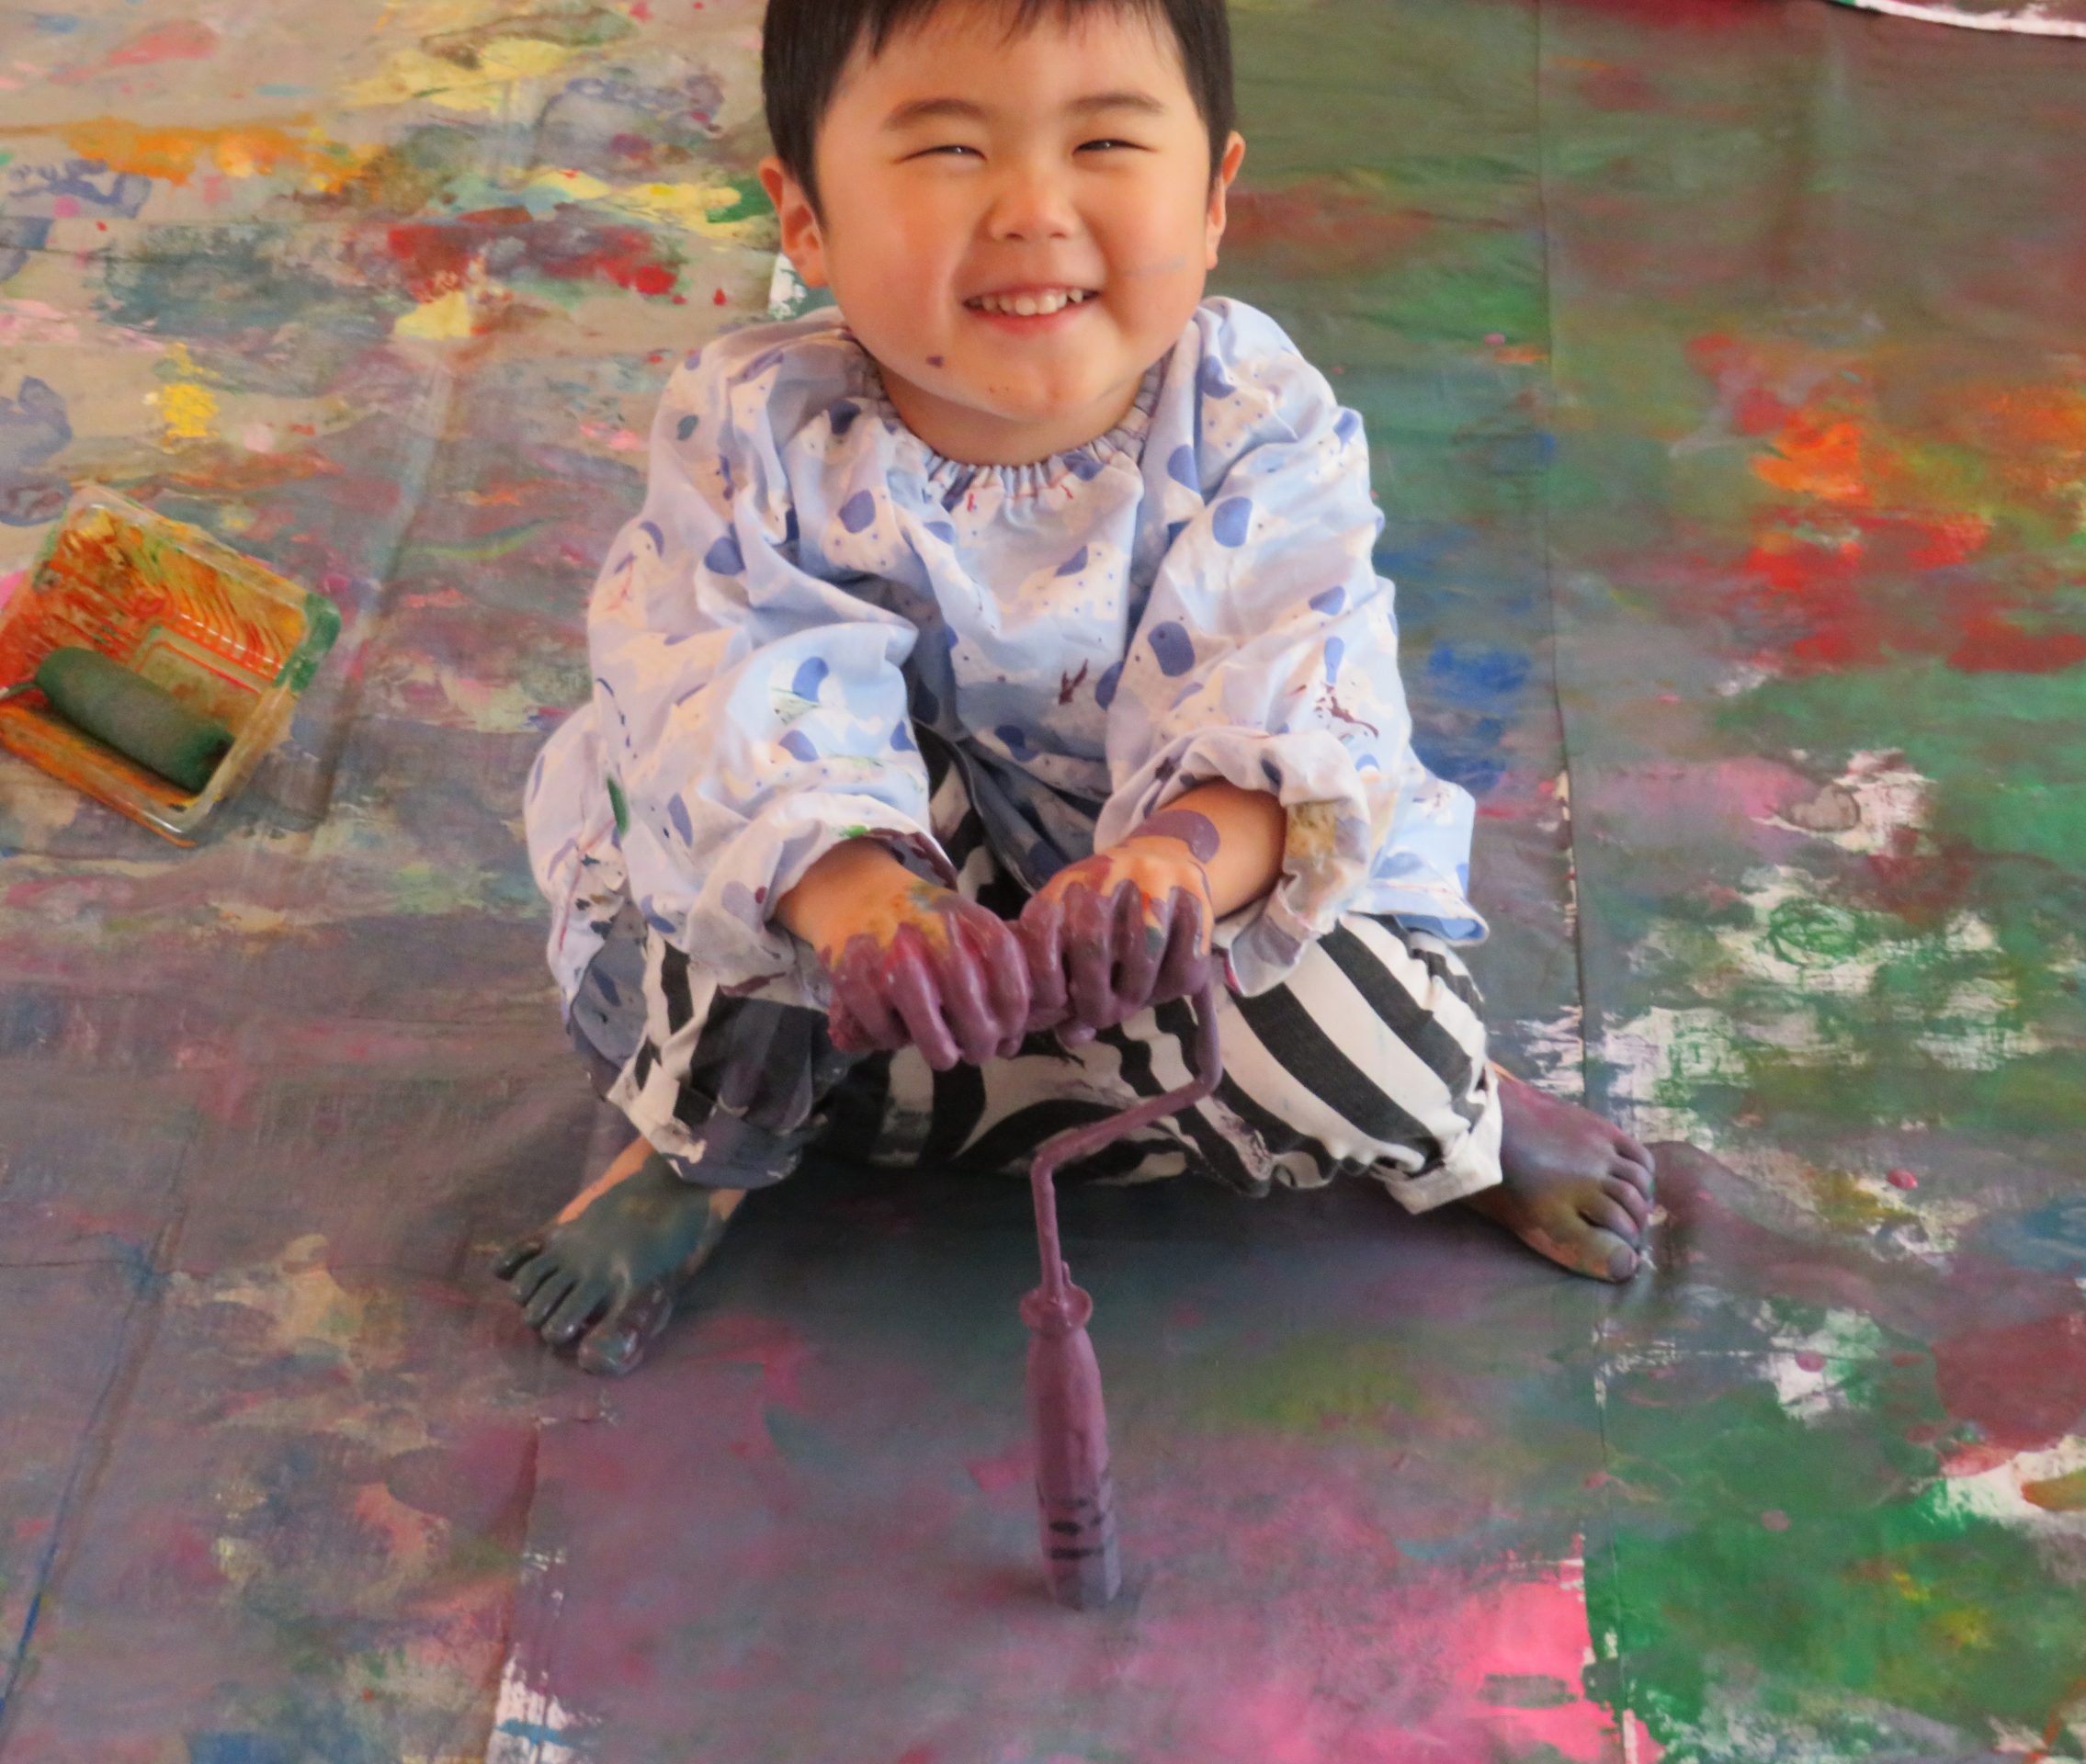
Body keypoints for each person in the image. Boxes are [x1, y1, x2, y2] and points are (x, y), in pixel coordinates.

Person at [500, 0, 1659, 1377]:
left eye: (1103, 142)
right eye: (948, 151)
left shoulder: (1251, 415)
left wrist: (1175, 872)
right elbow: (733, 687)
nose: (1033, 212)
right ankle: (705, 1154)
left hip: (1164, 923)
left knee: (1349, 1016)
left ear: (1214, 195)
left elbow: (1291, 682)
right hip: (880, 961)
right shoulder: (760, 423)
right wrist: (865, 906)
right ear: (805, 216)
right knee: (716, 860)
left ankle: (1461, 1118)